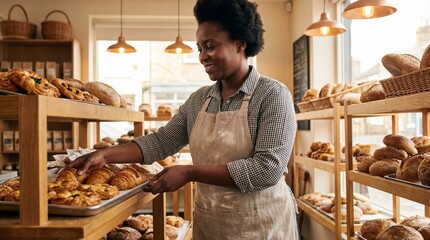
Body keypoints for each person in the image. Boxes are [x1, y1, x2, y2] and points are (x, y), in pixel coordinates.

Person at [68, 0, 298, 239]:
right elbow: (162, 142)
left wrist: (189, 173)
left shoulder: (272, 95)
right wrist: (105, 155)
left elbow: (267, 169)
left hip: (262, 225)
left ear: (240, 43)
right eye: (199, 48)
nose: (202, 56)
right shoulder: (200, 99)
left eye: (210, 46)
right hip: (211, 222)